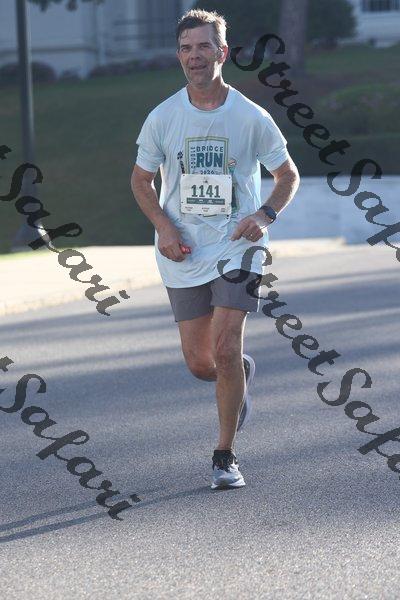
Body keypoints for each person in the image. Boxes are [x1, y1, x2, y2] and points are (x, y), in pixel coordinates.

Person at [131, 9, 300, 490]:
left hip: (237, 247)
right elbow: (141, 181)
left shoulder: (251, 117)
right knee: (201, 363)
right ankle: (238, 373)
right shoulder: (163, 117)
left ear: (222, 52)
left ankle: (224, 456)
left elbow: (287, 175)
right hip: (182, 250)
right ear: (178, 56)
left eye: (203, 46)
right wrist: (164, 227)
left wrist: (264, 216)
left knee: (225, 347)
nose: (194, 56)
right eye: (186, 48)